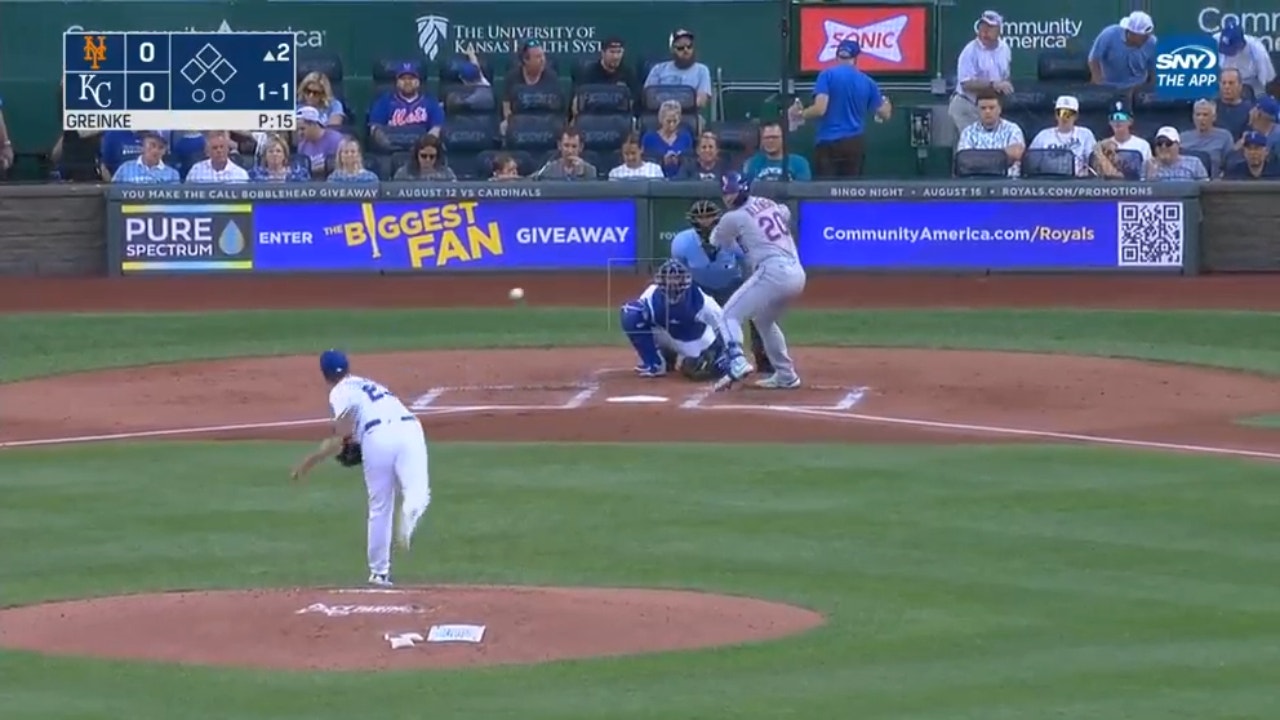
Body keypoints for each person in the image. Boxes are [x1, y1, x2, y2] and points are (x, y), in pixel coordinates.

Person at [290, 350, 430, 587]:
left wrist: (309, 462)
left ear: (324, 374)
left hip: (378, 437)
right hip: (410, 429)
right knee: (418, 490)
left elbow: (342, 431)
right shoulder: (367, 384)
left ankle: (379, 573)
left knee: (380, 506)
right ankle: (411, 508)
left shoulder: (339, 392)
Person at [709, 172, 806, 391]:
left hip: (773, 272)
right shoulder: (767, 202)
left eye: (731, 192)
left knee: (728, 315)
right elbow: (785, 212)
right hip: (797, 273)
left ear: (742, 189)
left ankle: (737, 361)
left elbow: (718, 241)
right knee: (763, 321)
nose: (728, 197)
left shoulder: (731, 218)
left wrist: (740, 245)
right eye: (725, 193)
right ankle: (786, 375)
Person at [669, 199, 773, 374]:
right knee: (672, 308)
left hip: (731, 285)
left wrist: (751, 290)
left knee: (758, 311)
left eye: (709, 217)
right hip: (699, 287)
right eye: (701, 218)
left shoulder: (733, 239)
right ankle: (669, 357)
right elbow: (679, 272)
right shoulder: (682, 242)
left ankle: (763, 358)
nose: (705, 222)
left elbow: (750, 264)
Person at [789, 39, 892, 178]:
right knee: (850, 193)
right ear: (856, 58)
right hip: (854, 144)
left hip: (827, 143)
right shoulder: (868, 82)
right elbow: (884, 114)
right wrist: (887, 103)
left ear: (837, 56)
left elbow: (820, 109)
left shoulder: (827, 75)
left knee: (826, 193)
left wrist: (800, 114)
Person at [619, 259, 728, 380]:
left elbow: (725, 328)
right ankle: (655, 363)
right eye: (669, 278)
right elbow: (639, 319)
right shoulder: (651, 294)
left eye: (676, 278)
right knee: (631, 313)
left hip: (694, 342)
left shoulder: (702, 302)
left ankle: (675, 357)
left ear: (684, 280)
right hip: (667, 334)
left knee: (698, 368)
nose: (672, 283)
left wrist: (715, 352)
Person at [949, 10, 1013, 133]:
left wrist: (1006, 85)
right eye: (982, 27)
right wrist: (993, 84)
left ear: (999, 30)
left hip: (989, 107)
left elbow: (1005, 76)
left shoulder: (1005, 49)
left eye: (989, 28)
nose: (984, 32)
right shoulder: (970, 51)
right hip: (967, 105)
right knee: (972, 146)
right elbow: (966, 84)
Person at [1028, 95, 1097, 177]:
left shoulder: (1085, 134)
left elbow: (1094, 162)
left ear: (1076, 116)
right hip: (1048, 181)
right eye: (1061, 113)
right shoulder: (1043, 135)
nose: (1064, 118)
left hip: (1078, 182)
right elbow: (1031, 165)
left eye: (1069, 114)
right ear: (1056, 115)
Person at [1088, 11, 1157, 88]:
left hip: (1137, 88)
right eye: (1143, 36)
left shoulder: (1152, 43)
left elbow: (1153, 70)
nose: (1147, 38)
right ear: (1131, 33)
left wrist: (1149, 90)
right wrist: (1099, 84)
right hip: (1109, 86)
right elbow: (1094, 58)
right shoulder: (1109, 34)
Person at [1215, 17, 1276, 99]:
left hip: (1250, 83)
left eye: (1231, 49)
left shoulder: (1257, 50)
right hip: (1222, 82)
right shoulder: (1215, 40)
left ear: (1241, 44)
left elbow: (1267, 81)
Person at [742, 122, 812, 181]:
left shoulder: (799, 163)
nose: (770, 141)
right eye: (767, 138)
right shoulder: (753, 163)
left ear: (783, 139)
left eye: (775, 137)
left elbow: (802, 191)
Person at [641, 99, 694, 178]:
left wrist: (679, 161)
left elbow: (690, 162)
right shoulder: (649, 138)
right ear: (661, 119)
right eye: (668, 121)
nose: (672, 125)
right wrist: (662, 161)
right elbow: (645, 163)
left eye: (675, 121)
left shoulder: (686, 137)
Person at [1144, 126, 1209, 181]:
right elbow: (1140, 191)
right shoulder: (1148, 165)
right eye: (1159, 143)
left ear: (1178, 145)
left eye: (1168, 143)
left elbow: (1205, 187)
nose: (1163, 147)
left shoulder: (1194, 163)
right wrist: (1150, 179)